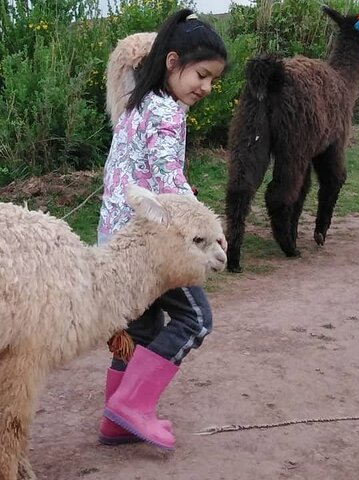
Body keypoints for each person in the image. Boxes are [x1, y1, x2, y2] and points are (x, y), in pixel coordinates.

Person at [96, 8, 228, 450]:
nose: (206, 88)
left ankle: (115, 422)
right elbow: (170, 180)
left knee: (141, 331)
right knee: (195, 318)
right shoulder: (168, 115)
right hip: (151, 246)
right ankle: (132, 404)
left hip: (115, 242)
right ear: (173, 62)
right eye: (202, 75)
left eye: (213, 80)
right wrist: (208, 230)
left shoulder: (136, 105)